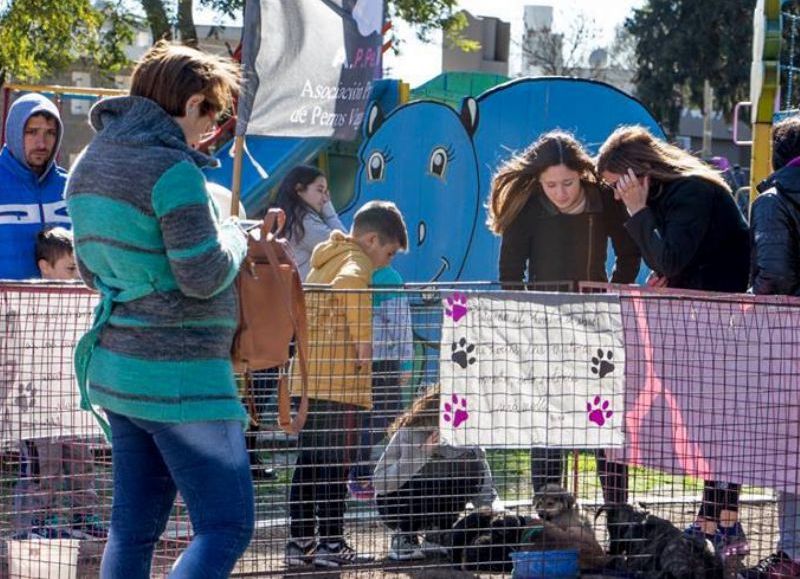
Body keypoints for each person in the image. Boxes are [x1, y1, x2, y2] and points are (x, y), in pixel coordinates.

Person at [65, 41, 253, 578]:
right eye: (211, 113)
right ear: (192, 102)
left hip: (121, 375)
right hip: (183, 381)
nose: (212, 128)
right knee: (226, 526)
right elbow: (205, 275)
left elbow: (89, 270)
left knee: (133, 532)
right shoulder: (173, 170)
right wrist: (234, 234)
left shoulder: (88, 162)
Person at [596, 125, 751, 560]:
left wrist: (637, 209)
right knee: (705, 424)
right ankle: (710, 518)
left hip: (721, 325)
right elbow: (672, 261)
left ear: (635, 174)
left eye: (615, 186)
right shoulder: (674, 196)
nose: (614, 195)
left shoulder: (692, 192)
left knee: (718, 424)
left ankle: (726, 521)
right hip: (700, 322)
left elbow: (669, 256)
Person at [486, 130, 640, 507]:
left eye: (568, 183)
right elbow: (510, 272)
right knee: (548, 425)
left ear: (582, 175)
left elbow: (629, 255)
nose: (561, 192)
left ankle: (618, 513)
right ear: (538, 182)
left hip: (597, 325)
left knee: (604, 427)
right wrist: (531, 315)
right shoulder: (526, 206)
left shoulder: (604, 200)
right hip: (545, 329)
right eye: (551, 184)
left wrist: (609, 294)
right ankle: (548, 515)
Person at [285, 200, 408, 569]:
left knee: (309, 461)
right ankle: (332, 542)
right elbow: (351, 285)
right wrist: (364, 344)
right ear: (371, 240)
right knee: (334, 465)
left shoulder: (325, 260)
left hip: (311, 380)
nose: (386, 261)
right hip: (340, 385)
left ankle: (301, 541)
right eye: (387, 252)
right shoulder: (356, 263)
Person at [13, 227, 105, 541]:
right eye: (71, 269)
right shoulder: (25, 304)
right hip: (36, 406)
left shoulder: (82, 304)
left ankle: (84, 517)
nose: (78, 276)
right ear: (45, 267)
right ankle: (34, 523)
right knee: (44, 464)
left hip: (71, 399)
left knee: (81, 458)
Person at [740, 115, 800, 578]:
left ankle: (793, 555)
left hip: (790, 337)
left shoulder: (774, 202)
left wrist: (751, 300)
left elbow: (775, 277)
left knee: (791, 451)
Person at [373, 385, 499, 561]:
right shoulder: (410, 432)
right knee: (424, 479)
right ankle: (404, 536)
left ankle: (438, 532)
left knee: (470, 464)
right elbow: (379, 483)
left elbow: (481, 478)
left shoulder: (469, 437)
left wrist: (492, 513)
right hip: (397, 504)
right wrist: (420, 454)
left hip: (441, 501)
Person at [348, 264, 414, 499]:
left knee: (372, 417)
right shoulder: (388, 276)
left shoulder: (355, 271)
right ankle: (360, 471)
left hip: (359, 359)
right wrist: (406, 362)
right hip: (384, 359)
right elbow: (400, 324)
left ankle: (360, 470)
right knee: (391, 416)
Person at [0, 93, 70, 279]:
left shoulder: (71, 188)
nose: (42, 143)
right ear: (14, 132)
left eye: (50, 133)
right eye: (32, 132)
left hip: (63, 306)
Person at [274, 164, 346, 280]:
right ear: (299, 189)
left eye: (326, 193)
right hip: (304, 295)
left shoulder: (290, 216)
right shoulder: (304, 221)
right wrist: (329, 213)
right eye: (320, 190)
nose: (325, 199)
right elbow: (345, 248)